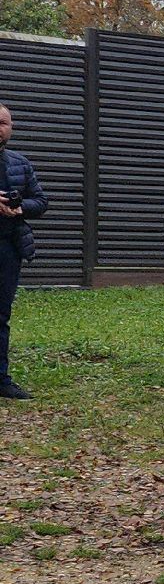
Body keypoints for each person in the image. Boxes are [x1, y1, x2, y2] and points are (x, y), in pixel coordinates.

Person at [0, 104, 48, 400]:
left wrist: (19, 208)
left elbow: (40, 201)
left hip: (7, 248)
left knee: (1, 315)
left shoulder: (19, 162)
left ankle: (1, 378)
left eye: (4, 123)